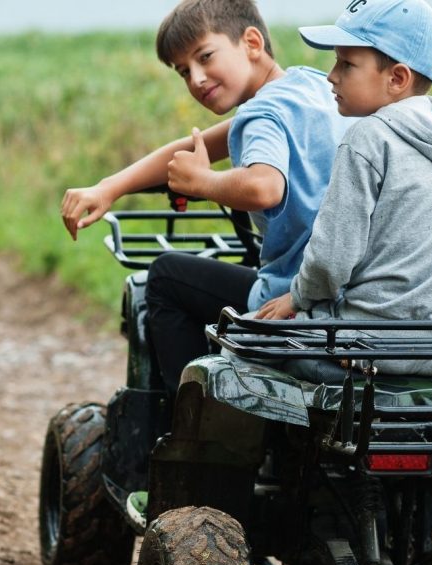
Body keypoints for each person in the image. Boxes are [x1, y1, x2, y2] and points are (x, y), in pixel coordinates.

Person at [61, 0, 354, 394]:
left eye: (205, 57)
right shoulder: (313, 86)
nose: (196, 78)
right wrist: (111, 186)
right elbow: (198, 145)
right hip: (347, 285)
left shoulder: (261, 113)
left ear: (251, 42)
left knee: (165, 277)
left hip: (292, 291)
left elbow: (264, 186)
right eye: (184, 71)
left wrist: (203, 183)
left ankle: (194, 419)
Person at [254, 0, 432, 375]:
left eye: (346, 64)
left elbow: (331, 256)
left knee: (246, 336)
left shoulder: (368, 137)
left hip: (373, 341)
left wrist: (298, 296)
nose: (331, 77)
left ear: (398, 78)